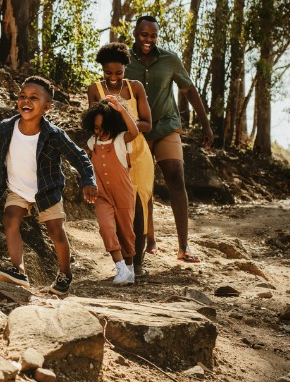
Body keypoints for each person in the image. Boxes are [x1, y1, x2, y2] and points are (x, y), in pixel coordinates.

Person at [0, 75, 98, 295]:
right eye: (22, 96)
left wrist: (88, 180)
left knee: (56, 231)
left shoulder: (54, 135)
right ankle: (19, 270)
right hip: (18, 189)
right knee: (10, 218)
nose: (26, 101)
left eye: (34, 98)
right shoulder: (8, 128)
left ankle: (65, 273)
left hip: (47, 190)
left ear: (47, 107)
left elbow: (79, 156)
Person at [125, 15, 214, 263]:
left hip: (166, 126)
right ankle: (149, 239)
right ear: (135, 33)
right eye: (144, 34)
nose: (148, 40)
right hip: (138, 130)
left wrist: (205, 124)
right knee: (144, 186)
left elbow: (189, 90)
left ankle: (183, 246)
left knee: (175, 175)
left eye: (153, 36)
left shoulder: (170, 60)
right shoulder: (125, 60)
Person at [87, 42, 154, 276]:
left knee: (139, 205)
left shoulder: (135, 87)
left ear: (126, 68)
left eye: (118, 72)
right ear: (102, 69)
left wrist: (123, 118)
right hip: (113, 153)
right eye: (108, 73)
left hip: (137, 151)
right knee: (118, 211)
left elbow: (147, 123)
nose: (113, 78)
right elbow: (94, 122)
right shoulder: (95, 89)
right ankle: (124, 263)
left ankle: (138, 264)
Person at [81, 95, 139, 285]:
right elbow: (86, 164)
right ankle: (120, 267)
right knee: (106, 228)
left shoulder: (122, 139)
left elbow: (135, 131)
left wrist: (122, 110)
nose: (100, 132)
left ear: (114, 125)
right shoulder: (92, 142)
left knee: (126, 232)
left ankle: (129, 269)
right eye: (96, 128)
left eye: (104, 128)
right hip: (102, 195)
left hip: (123, 194)